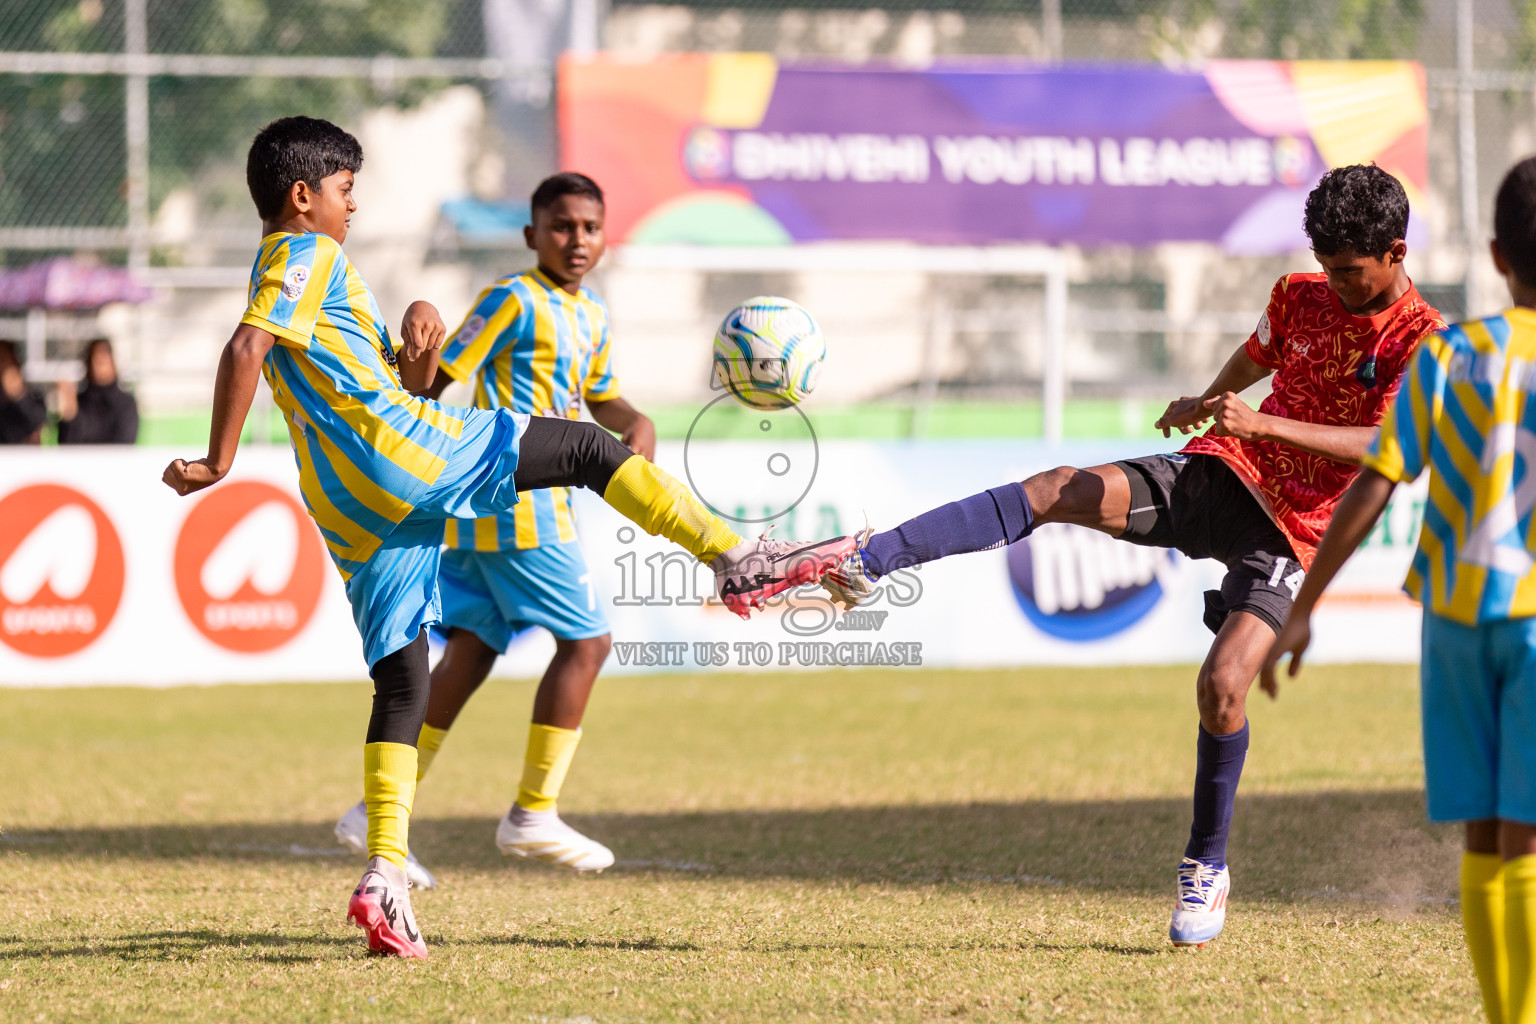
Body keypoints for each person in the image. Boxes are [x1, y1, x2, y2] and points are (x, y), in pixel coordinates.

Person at [161, 116, 855, 959]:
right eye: (347, 190)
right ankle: (738, 557)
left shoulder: (307, 274)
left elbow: (403, 377)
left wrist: (416, 335)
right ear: (303, 197)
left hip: (351, 507)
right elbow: (245, 347)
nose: (355, 206)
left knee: (403, 682)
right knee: (589, 452)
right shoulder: (304, 256)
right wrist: (217, 460)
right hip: (403, 458)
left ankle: (384, 876)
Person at [819, 163, 1446, 947]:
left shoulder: (1426, 339)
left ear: (1394, 251)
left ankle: (1206, 866)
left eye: (1348, 270)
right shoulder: (1299, 292)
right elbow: (1259, 356)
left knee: (1221, 687)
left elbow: (1386, 444)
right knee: (1057, 489)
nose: (1333, 281)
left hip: (1295, 530)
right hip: (1225, 471)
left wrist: (1267, 427)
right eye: (1324, 264)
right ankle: (874, 559)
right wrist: (1208, 401)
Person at [1264, 156, 1536, 1024]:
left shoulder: (1451, 354)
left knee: (1485, 831)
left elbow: (1378, 479)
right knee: (1526, 831)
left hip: (1454, 625)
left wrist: (1304, 608)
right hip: (1535, 623)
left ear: (1496, 254)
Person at [332, 172, 650, 886]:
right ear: (533, 234)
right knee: (588, 643)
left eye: (590, 228)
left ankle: (371, 812)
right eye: (562, 227)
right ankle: (533, 812)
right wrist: (407, 369)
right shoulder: (510, 300)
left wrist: (635, 423)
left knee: (471, 650)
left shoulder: (591, 311)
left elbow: (598, 397)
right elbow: (436, 380)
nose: (577, 240)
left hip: (492, 520)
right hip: (519, 506)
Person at [57, 337, 139, 444]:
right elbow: (67, 444)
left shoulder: (125, 403)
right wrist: (70, 416)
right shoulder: (81, 403)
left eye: (103, 359)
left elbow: (125, 443)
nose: (99, 365)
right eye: (95, 359)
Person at [0, 340, 46, 445]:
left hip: (21, 455)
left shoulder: (32, 395)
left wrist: (20, 395)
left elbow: (40, 421)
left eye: (3, 360)